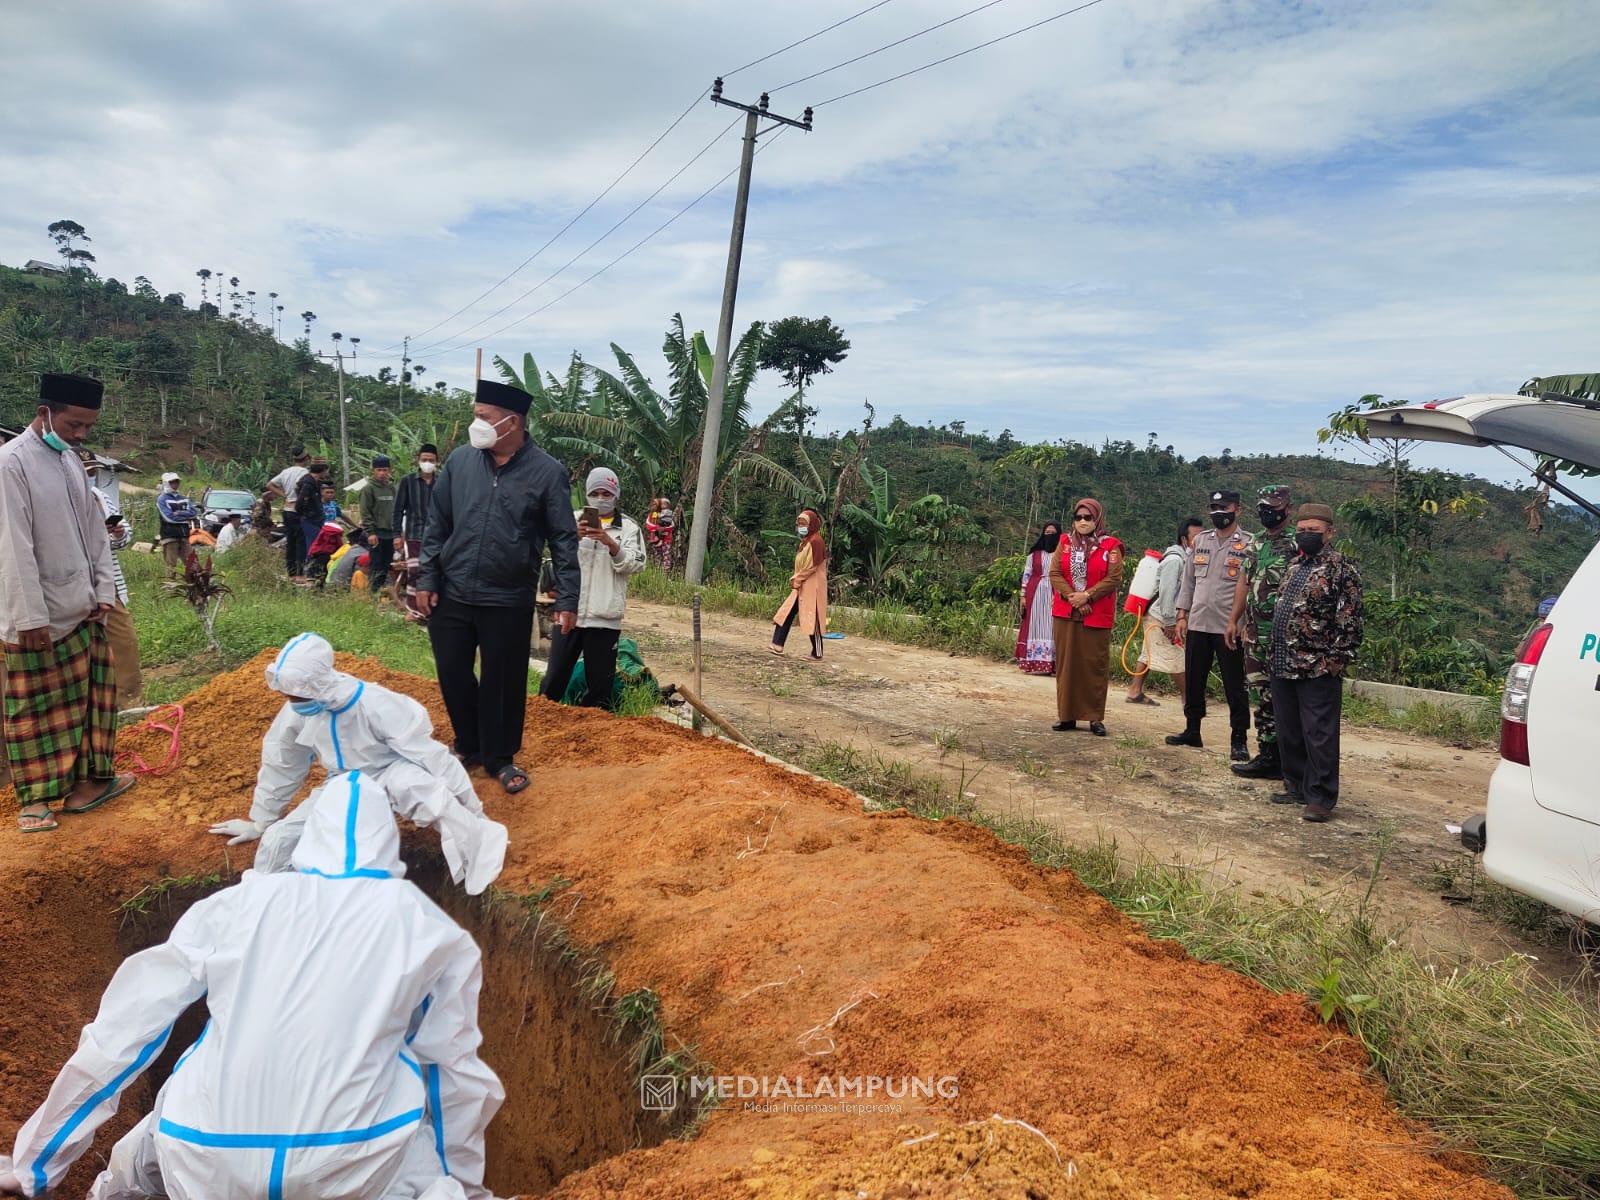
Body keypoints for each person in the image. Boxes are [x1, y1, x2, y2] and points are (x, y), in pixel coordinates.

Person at [3, 772, 503, 1200]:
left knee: (144, 1146)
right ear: (387, 843)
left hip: (203, 1161)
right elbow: (453, 1080)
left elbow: (119, 1038)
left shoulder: (234, 907)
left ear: (310, 837)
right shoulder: (429, 929)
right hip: (348, 1172)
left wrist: (35, 1164)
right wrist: (461, 1182)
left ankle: (98, 1190)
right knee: (420, 1116)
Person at [208, 632, 509, 894]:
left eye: (295, 694)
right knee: (278, 840)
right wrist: (262, 820)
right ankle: (266, 910)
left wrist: (474, 810)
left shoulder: (374, 704)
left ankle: (479, 841)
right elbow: (282, 761)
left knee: (428, 794)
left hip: (390, 771)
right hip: (339, 782)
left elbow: (433, 757)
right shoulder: (298, 711)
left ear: (316, 684)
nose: (291, 701)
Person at [418, 380, 580, 795]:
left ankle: (500, 757)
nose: (477, 424)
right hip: (452, 591)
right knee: (453, 672)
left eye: (483, 417)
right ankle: (469, 745)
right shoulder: (459, 462)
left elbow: (563, 538)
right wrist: (428, 576)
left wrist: (567, 597)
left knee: (502, 680)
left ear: (512, 423)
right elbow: (437, 524)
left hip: (507, 595)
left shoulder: (547, 472)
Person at [0, 373, 136, 832]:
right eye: (74, 425)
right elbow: (12, 548)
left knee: (93, 701)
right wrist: (29, 616)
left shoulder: (74, 463)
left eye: (87, 428)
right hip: (36, 615)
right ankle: (34, 804)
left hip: (83, 608)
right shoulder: (11, 464)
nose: (81, 435)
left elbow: (96, 536)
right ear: (45, 413)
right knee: (36, 708)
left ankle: (89, 787)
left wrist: (102, 593)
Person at [1266, 503, 1365, 822]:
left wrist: (1336, 659)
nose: (1306, 535)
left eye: (1314, 531)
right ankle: (1295, 784)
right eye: (1302, 530)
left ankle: (1321, 797)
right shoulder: (1294, 565)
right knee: (1289, 730)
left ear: (1330, 533)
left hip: (1318, 665)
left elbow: (1350, 620)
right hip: (1283, 662)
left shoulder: (1341, 569)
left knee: (1318, 733)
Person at [539, 468, 647, 709]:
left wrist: (610, 543)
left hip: (605, 618)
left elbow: (636, 564)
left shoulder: (629, 528)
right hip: (569, 614)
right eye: (595, 493)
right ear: (587, 495)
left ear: (616, 495)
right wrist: (571, 537)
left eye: (606, 493)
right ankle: (541, 725)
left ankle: (595, 736)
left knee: (600, 687)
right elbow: (553, 554)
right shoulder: (572, 519)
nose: (600, 498)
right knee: (553, 681)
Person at [1167, 489, 1255, 759]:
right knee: (1194, 680)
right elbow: (1189, 581)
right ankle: (1192, 730)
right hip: (1198, 623)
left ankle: (1238, 739)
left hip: (1229, 627)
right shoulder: (1201, 541)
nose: (1219, 513)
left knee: (1234, 685)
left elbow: (1251, 587)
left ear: (1237, 509)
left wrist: (1245, 623)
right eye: (1214, 508)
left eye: (1224, 507)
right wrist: (1182, 615)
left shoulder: (1249, 544)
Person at [1226, 485, 1295, 779]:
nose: (1268, 511)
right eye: (1263, 506)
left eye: (1273, 506)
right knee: (1260, 694)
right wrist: (1234, 620)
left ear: (1287, 509)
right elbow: (1244, 581)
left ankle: (1290, 760)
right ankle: (1267, 756)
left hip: (1285, 637)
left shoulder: (1296, 545)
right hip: (1254, 635)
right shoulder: (1256, 543)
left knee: (1285, 698)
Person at [1048, 498, 1123, 736]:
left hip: (1096, 613)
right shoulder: (1064, 542)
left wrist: (1087, 596)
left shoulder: (1110, 546)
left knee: (1094, 665)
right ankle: (1066, 715)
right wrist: (1073, 597)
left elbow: (1113, 579)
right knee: (1066, 665)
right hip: (1067, 611)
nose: (1082, 522)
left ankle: (1094, 718)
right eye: (1078, 517)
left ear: (1097, 519)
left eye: (1087, 517)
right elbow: (1055, 572)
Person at [77, 448, 144, 708]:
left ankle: (129, 701)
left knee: (124, 640)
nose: (89, 476)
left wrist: (115, 534)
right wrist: (97, 536)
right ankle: (88, 702)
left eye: (92, 471)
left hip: (107, 581)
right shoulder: (57, 499)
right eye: (85, 471)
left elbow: (125, 536)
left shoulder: (101, 497)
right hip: (73, 583)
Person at [1126, 517, 1201, 706]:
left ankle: (1135, 691)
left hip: (1159, 615)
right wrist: (1170, 622)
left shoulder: (1184, 558)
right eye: (1196, 536)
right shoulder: (1175, 560)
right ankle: (1189, 701)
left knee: (1148, 652)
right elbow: (1168, 592)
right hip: (1162, 616)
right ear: (1185, 539)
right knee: (1175, 657)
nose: (1200, 540)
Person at [769, 510, 829, 659]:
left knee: (812, 618)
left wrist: (797, 578)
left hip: (812, 586)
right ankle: (777, 643)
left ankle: (817, 652)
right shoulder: (806, 541)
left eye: (803, 524)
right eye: (799, 524)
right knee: (787, 612)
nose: (800, 527)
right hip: (802, 584)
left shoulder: (816, 541)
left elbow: (812, 566)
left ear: (812, 524)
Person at [393, 444, 441, 622]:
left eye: (431, 460)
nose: (428, 463)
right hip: (414, 533)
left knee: (435, 570)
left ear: (437, 461)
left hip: (437, 535)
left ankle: (431, 609)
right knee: (415, 570)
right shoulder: (407, 481)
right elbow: (398, 509)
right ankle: (414, 609)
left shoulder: (443, 481)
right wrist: (397, 534)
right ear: (418, 460)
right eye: (424, 459)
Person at [1014, 521, 1062, 675]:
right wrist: (1023, 596)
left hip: (1055, 593)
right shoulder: (1033, 555)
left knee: (1052, 626)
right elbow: (1026, 575)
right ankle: (1033, 662)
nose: (1049, 535)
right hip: (1034, 593)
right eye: (1047, 533)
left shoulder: (1062, 554)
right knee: (1034, 624)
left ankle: (1051, 663)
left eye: (1053, 533)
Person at [266, 445, 312, 578]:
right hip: (299, 511)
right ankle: (300, 572)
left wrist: (284, 494)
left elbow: (269, 484)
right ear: (306, 458)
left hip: (287, 511)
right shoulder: (306, 474)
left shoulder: (286, 472)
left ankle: (290, 572)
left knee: (291, 541)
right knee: (301, 542)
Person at [363, 454, 399, 596]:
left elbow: (397, 510)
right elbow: (365, 512)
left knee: (387, 565)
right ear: (373, 471)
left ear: (390, 470)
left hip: (391, 534)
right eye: (379, 470)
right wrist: (370, 532)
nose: (382, 473)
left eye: (385, 470)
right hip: (377, 534)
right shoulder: (369, 489)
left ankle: (382, 594)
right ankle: (373, 594)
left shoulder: (392, 488)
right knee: (376, 565)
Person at [155, 471, 198, 577]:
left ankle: (195, 586)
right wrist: (186, 517)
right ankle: (171, 590)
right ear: (166, 483)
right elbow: (169, 517)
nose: (175, 484)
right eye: (172, 482)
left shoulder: (183, 498)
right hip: (170, 536)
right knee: (171, 566)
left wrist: (179, 513)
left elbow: (194, 513)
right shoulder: (162, 499)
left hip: (184, 536)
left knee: (193, 564)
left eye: (177, 481)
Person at [645, 498, 675, 570]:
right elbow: (648, 525)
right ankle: (657, 573)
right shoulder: (652, 515)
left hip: (666, 540)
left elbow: (672, 526)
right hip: (656, 539)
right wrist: (657, 528)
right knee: (657, 556)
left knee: (666, 557)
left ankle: (665, 574)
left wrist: (663, 529)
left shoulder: (668, 514)